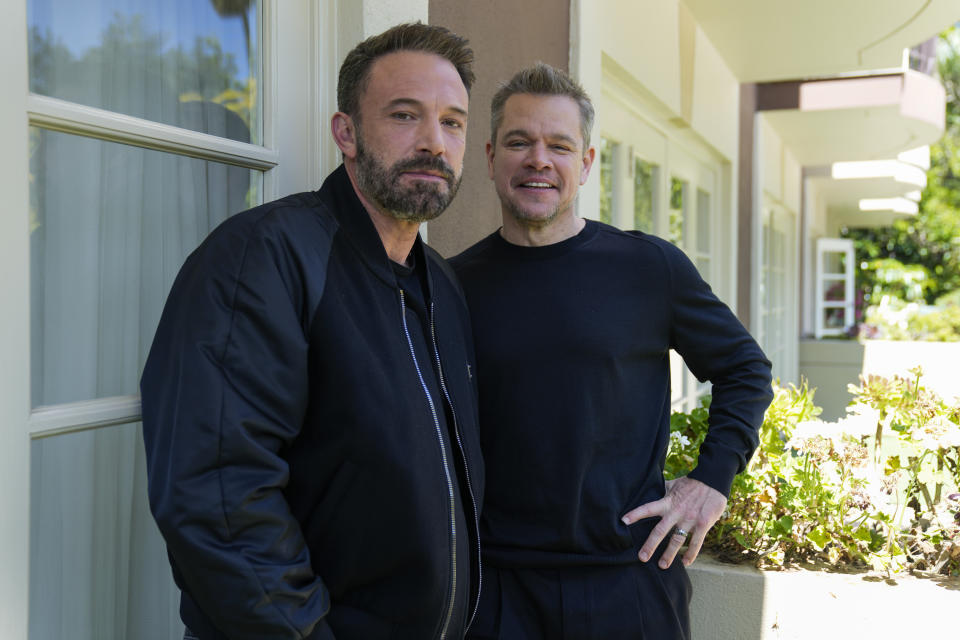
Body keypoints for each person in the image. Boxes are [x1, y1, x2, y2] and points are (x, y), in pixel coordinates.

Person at [141, 23, 484, 640]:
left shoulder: (443, 286)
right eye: (405, 115)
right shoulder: (262, 258)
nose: (434, 142)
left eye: (453, 122)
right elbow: (219, 497)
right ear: (345, 132)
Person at [450, 63, 773, 639]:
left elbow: (745, 369)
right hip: (496, 591)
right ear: (491, 155)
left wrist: (711, 482)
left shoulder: (649, 269)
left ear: (587, 163)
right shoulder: (452, 287)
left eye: (559, 145)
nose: (538, 160)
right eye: (520, 142)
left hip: (629, 583)